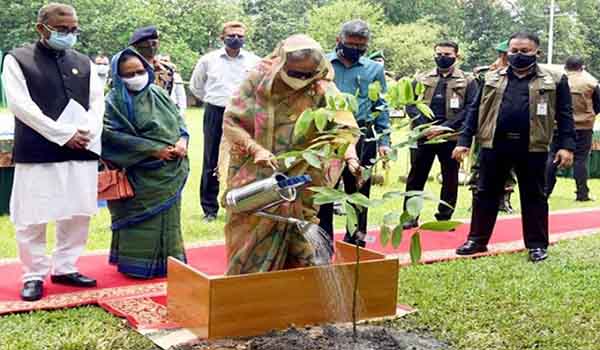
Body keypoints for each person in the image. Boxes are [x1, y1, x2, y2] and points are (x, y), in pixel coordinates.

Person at [222, 34, 359, 275]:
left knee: (301, 230)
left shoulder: (321, 85)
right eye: (295, 73)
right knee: (251, 227)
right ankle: (245, 289)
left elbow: (344, 127)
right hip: (257, 171)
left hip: (303, 173)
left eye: (307, 75)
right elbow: (231, 120)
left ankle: (294, 292)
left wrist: (350, 155)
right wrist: (256, 149)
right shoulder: (258, 79)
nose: (301, 80)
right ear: (282, 63)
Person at [1, 3, 103, 301]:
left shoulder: (84, 62)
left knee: (77, 211)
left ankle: (65, 266)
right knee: (33, 214)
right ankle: (33, 274)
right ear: (41, 28)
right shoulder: (17, 59)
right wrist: (62, 134)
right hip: (39, 148)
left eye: (73, 30)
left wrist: (88, 131)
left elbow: (97, 101)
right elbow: (21, 106)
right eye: (62, 30)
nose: (69, 34)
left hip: (82, 146)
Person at [452, 32, 576, 262]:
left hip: (533, 146)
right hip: (494, 144)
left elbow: (566, 114)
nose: (518, 55)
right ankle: (476, 240)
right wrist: (463, 141)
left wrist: (567, 146)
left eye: (525, 51)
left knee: (534, 195)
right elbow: (474, 110)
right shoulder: (491, 77)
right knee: (485, 193)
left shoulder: (555, 79)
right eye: (514, 51)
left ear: (536, 52)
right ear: (508, 52)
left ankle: (537, 245)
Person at [101, 48, 189, 279]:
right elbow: (110, 136)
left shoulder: (158, 93)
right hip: (139, 173)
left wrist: (182, 140)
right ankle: (136, 265)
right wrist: (153, 150)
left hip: (170, 170)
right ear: (117, 76)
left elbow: (179, 120)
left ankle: (169, 262)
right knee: (141, 221)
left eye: (140, 71)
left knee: (169, 219)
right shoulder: (113, 102)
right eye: (128, 74)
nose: (135, 77)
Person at [317, 20, 390, 246]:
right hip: (329, 134)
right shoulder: (322, 65)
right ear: (339, 40)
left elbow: (381, 106)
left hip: (363, 136)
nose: (356, 49)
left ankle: (357, 237)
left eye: (362, 46)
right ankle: (323, 238)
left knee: (359, 189)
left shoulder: (374, 69)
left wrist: (384, 140)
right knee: (325, 188)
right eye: (351, 44)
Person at [402, 40, 478, 229]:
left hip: (451, 137)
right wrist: (424, 128)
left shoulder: (468, 81)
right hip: (424, 136)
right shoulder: (421, 78)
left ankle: (445, 217)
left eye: (447, 54)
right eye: (439, 54)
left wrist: (444, 127)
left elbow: (471, 108)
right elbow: (410, 104)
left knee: (450, 178)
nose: (442, 58)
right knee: (416, 177)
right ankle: (410, 216)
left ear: (456, 56)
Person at [190, 21, 260, 222]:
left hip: (243, 114)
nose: (236, 39)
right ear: (222, 38)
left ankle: (241, 204)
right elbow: (196, 87)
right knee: (211, 159)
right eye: (231, 35)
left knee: (244, 158)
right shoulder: (208, 60)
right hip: (215, 112)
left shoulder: (254, 61)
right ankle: (209, 209)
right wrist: (216, 100)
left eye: (240, 35)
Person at [470, 40, 516, 213]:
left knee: (509, 168)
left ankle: (504, 200)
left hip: (510, 132)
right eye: (503, 55)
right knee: (480, 166)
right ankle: (477, 199)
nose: (504, 59)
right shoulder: (487, 75)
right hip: (487, 131)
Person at [546, 56, 600, 201]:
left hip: (559, 125)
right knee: (581, 159)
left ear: (566, 66)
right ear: (582, 67)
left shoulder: (557, 80)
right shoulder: (591, 82)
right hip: (583, 126)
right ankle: (582, 193)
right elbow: (597, 105)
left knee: (553, 157)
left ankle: (546, 190)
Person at [129, 26, 177, 94]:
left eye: (154, 43)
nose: (152, 48)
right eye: (146, 45)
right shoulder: (128, 68)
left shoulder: (166, 69)